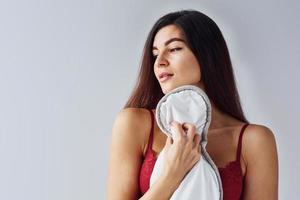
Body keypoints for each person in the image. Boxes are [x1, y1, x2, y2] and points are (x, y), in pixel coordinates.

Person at [107, 9, 278, 200]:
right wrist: (172, 174)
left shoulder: (254, 141)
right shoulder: (134, 124)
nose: (159, 62)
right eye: (155, 54)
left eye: (174, 49)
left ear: (207, 55)